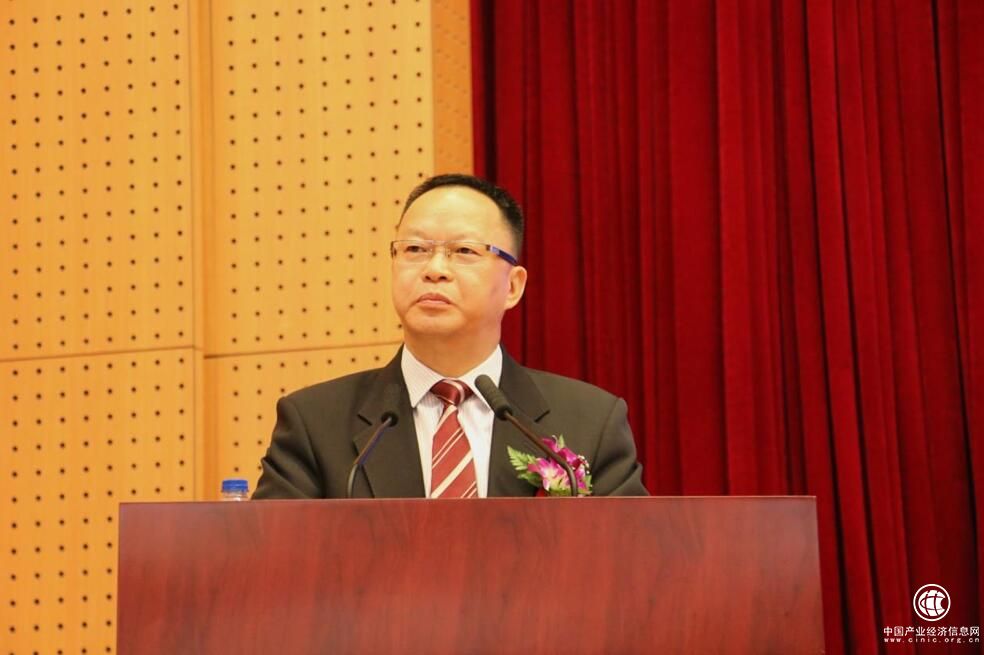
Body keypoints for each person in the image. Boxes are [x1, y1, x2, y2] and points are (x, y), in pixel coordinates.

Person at [253, 174, 647, 498]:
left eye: (464, 251)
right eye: (415, 249)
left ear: (513, 286)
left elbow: (628, 560)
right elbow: (275, 560)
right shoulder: (314, 424)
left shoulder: (590, 422)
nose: (435, 269)